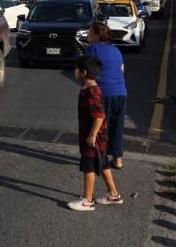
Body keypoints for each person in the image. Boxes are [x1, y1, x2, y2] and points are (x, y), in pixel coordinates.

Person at [69, 55, 123, 211]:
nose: (75, 71)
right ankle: (114, 195)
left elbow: (99, 116)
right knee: (103, 163)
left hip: (93, 138)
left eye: (76, 69)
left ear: (83, 72)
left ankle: (87, 200)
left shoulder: (91, 92)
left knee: (89, 167)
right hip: (99, 137)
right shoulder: (91, 88)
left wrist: (92, 135)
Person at [84, 20, 127, 170]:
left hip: (104, 92)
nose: (88, 34)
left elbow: (89, 71)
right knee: (117, 126)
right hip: (121, 92)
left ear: (96, 35)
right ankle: (118, 159)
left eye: (90, 31)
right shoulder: (115, 50)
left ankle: (100, 157)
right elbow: (122, 69)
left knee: (101, 126)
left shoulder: (93, 48)